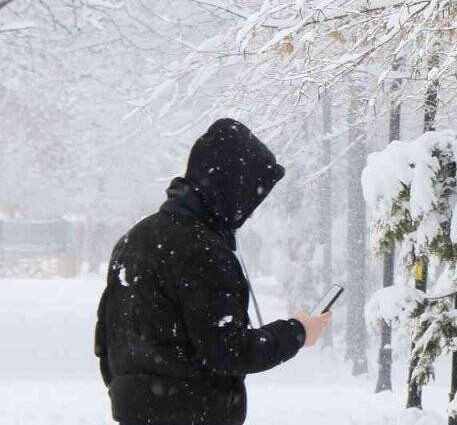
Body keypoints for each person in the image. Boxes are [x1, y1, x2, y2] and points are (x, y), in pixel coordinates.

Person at [94, 118, 332, 425]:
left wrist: (136, 397)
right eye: (250, 196)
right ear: (232, 188)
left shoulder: (133, 239)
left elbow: (107, 341)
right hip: (195, 415)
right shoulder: (201, 251)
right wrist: (297, 332)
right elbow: (229, 351)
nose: (249, 209)